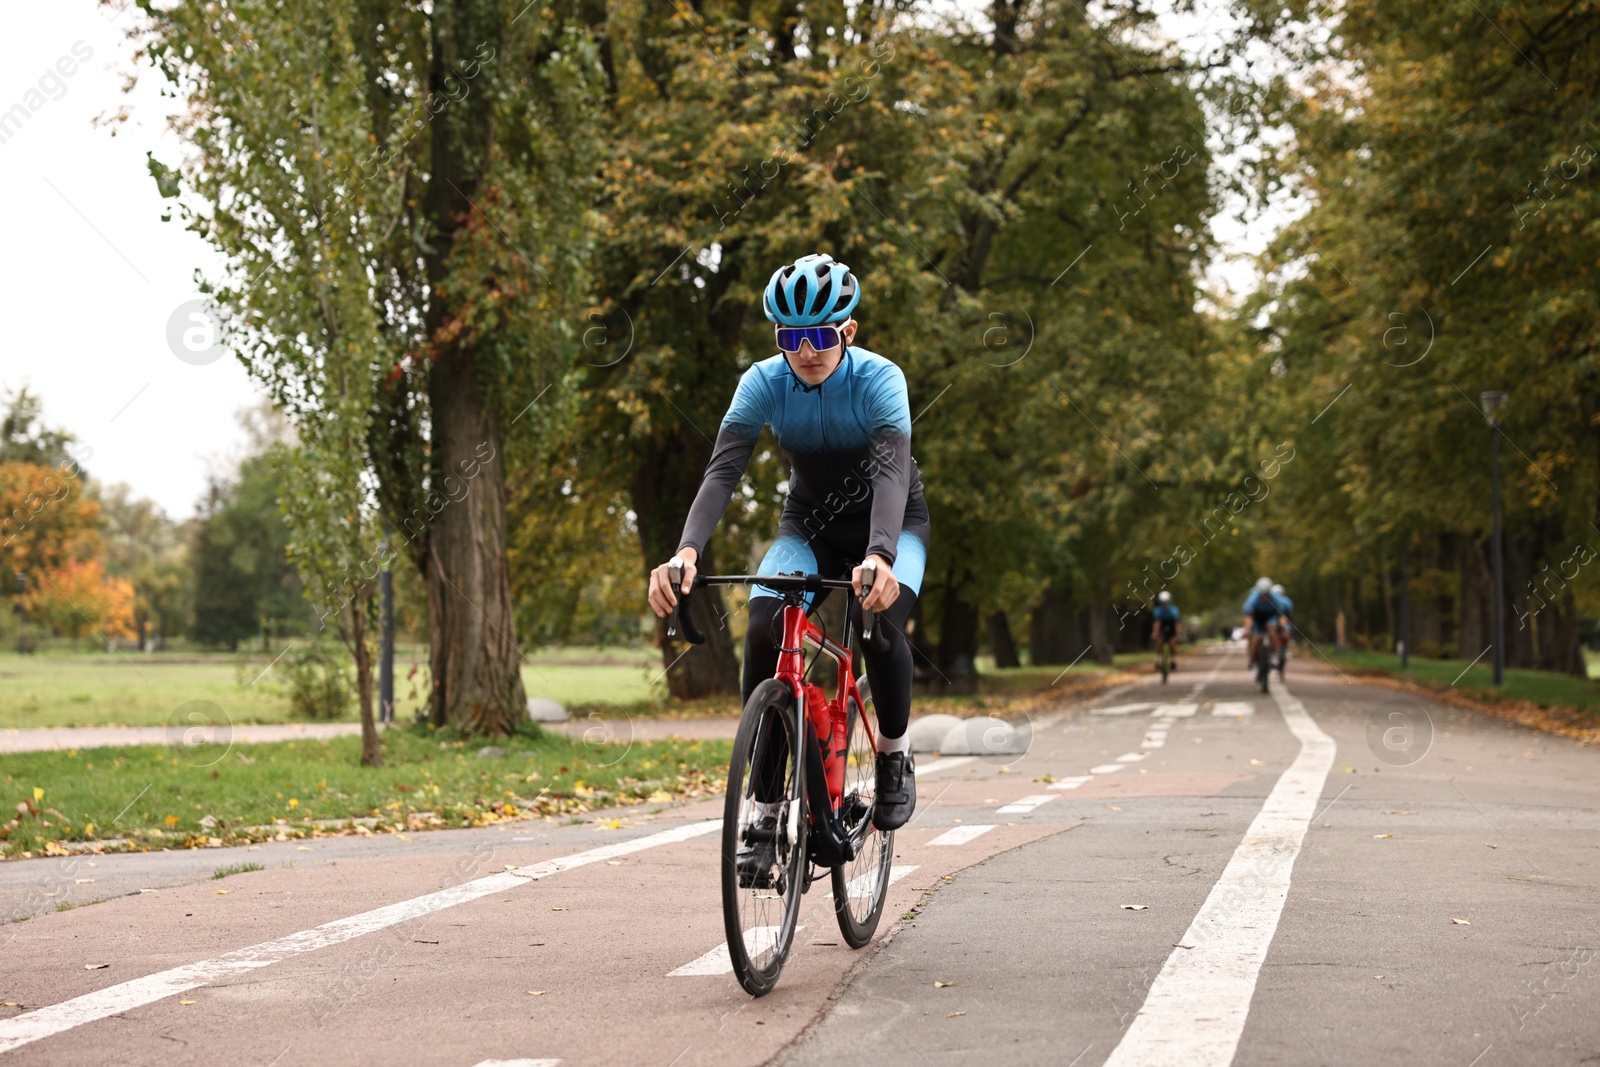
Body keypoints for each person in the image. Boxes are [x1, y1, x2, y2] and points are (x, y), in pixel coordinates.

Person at [646, 253, 930, 855]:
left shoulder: (881, 379)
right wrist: (687, 551)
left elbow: (889, 472)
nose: (806, 351)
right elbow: (724, 471)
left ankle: (895, 758)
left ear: (847, 331)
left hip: (893, 521)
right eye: (791, 337)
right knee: (764, 624)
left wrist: (880, 555)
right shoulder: (762, 382)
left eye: (820, 335)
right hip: (810, 526)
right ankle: (768, 809)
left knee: (876, 628)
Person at [1241, 577, 1283, 667]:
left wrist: (1281, 626)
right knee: (1255, 639)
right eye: (1262, 595)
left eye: (1267, 594)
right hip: (1257, 619)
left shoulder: (1276, 600)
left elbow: (1281, 615)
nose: (1264, 597)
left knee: (1272, 631)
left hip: (1270, 618)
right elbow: (1248, 616)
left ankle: (1273, 654)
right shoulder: (1252, 600)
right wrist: (1247, 629)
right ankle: (1253, 660)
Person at [1151, 591, 1181, 671]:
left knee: (1172, 644)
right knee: (1159, 643)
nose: (1165, 605)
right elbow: (1157, 623)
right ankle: (1157, 661)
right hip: (1162, 626)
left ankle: (1173, 661)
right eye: (1163, 603)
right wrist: (1155, 633)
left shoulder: (1174, 610)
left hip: (1171, 627)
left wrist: (1177, 635)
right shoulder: (1157, 610)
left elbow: (1176, 624)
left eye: (1166, 602)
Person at [1270, 582, 1294, 671]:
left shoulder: (1286, 601)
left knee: (1287, 631)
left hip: (1283, 620)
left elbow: (1290, 615)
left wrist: (1288, 625)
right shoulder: (1270, 601)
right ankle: (1272, 652)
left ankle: (1285, 648)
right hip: (1273, 621)